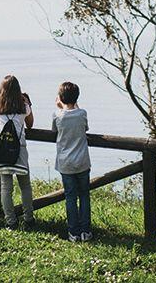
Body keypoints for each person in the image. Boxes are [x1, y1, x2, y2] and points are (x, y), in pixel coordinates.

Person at [0, 74, 35, 229]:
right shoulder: (23, 107)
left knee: (6, 187)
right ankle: (29, 219)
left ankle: (11, 222)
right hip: (20, 150)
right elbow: (30, 124)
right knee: (25, 187)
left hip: (3, 150)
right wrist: (28, 103)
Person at [52, 81, 92, 242]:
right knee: (84, 196)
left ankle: (73, 232)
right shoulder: (82, 113)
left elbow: (54, 130)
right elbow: (85, 128)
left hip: (65, 163)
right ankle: (86, 231)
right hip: (82, 161)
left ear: (60, 98)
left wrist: (60, 108)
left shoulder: (57, 115)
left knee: (70, 197)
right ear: (77, 98)